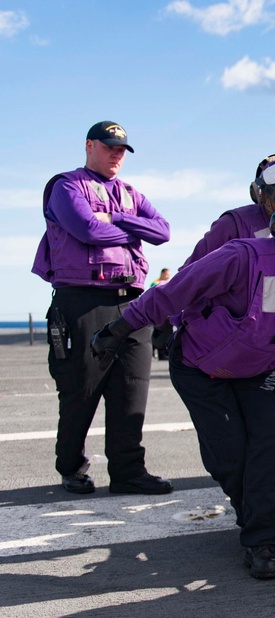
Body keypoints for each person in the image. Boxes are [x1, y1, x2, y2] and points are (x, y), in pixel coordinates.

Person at [90, 188, 275, 579]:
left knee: (270, 451)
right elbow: (175, 291)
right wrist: (120, 328)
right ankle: (251, 511)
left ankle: (263, 540)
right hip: (202, 368)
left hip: (263, 373)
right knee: (229, 455)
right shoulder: (242, 258)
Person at [31, 120, 173, 496]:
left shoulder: (129, 194)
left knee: (131, 388)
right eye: (110, 147)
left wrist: (119, 219)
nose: (116, 155)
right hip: (82, 300)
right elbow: (87, 230)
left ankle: (128, 472)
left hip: (132, 304)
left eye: (122, 150)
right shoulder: (66, 186)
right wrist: (134, 229)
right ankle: (72, 468)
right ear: (89, 146)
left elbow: (162, 231)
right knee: (80, 388)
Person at [179, 154, 275, 520]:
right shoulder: (234, 224)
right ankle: (252, 503)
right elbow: (189, 275)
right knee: (230, 440)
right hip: (227, 350)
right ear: (259, 193)